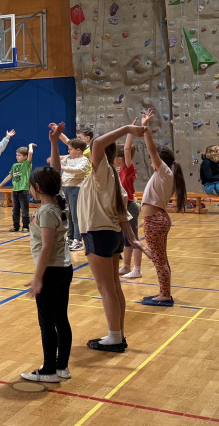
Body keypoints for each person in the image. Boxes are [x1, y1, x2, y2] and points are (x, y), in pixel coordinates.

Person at [50, 121, 145, 353]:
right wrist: (132, 238)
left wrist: (127, 129)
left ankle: (115, 338)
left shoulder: (103, 172)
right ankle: (117, 334)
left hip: (98, 233)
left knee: (106, 289)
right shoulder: (108, 175)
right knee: (113, 287)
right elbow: (121, 212)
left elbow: (100, 143)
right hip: (111, 234)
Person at [20, 165, 72, 383]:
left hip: (51, 271)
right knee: (60, 318)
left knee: (48, 322)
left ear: (38, 188)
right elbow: (55, 171)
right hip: (62, 269)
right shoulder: (56, 205)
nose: (30, 189)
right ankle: (61, 367)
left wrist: (38, 277)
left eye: (31, 186)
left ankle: (49, 370)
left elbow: (47, 246)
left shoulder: (47, 211)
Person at [138, 110, 186, 307]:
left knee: (158, 259)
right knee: (160, 258)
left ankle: (165, 295)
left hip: (156, 220)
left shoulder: (164, 171)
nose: (151, 161)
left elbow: (151, 150)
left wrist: (145, 129)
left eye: (154, 158)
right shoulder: (163, 174)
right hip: (156, 219)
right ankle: (164, 292)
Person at [117, 132, 143, 280]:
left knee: (134, 240)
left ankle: (137, 269)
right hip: (122, 207)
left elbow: (127, 150)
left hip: (130, 207)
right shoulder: (119, 170)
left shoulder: (128, 169)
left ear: (120, 159)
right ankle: (126, 266)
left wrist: (129, 132)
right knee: (126, 240)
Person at [59, 138, 91, 252]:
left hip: (76, 188)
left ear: (78, 150)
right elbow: (59, 164)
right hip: (65, 188)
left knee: (76, 215)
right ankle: (70, 237)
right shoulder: (68, 158)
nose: (68, 151)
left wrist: (63, 168)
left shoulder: (84, 160)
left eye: (70, 149)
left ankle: (78, 240)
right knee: (68, 214)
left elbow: (78, 170)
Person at [0, 142, 35, 232]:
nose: (17, 157)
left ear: (25, 157)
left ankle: (26, 227)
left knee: (24, 210)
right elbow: (9, 176)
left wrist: (30, 146)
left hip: (23, 191)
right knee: (15, 210)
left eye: (19, 155)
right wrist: (1, 184)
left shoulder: (26, 164)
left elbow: (30, 153)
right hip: (15, 191)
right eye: (16, 155)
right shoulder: (14, 165)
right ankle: (16, 227)